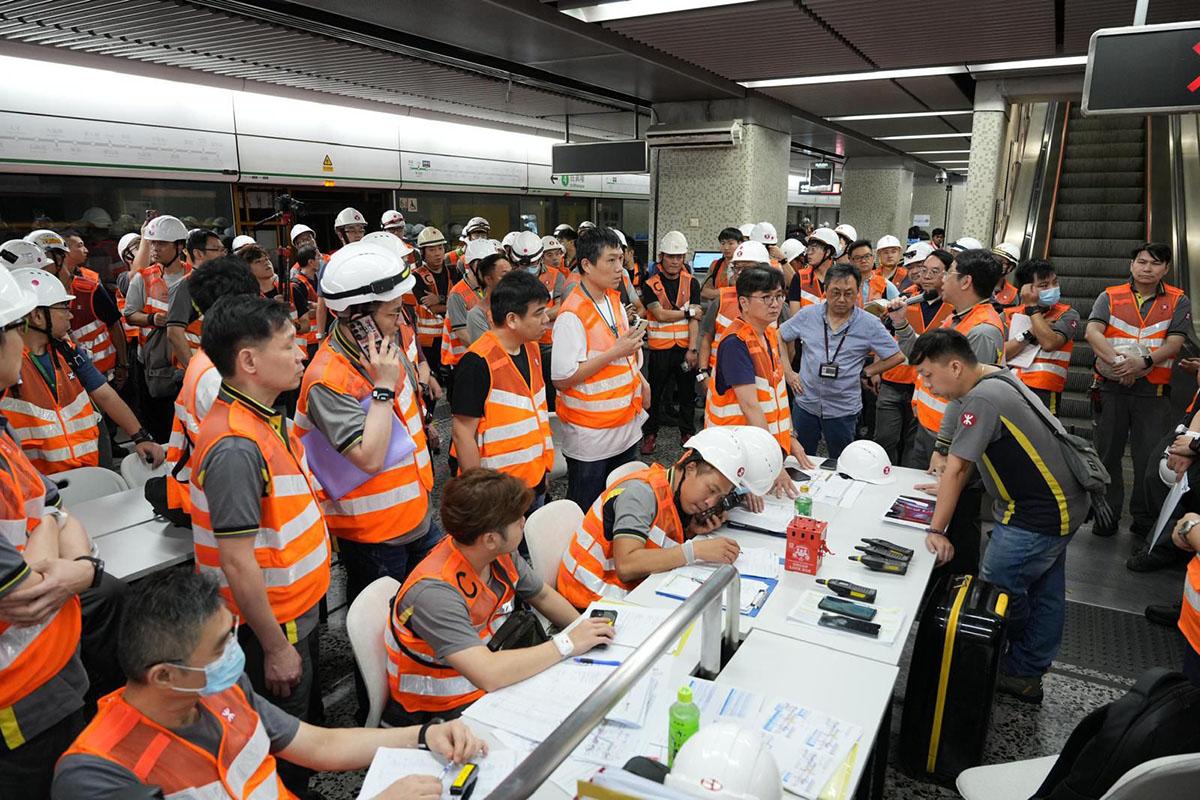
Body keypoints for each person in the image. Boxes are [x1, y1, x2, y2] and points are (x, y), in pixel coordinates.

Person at [54, 570, 485, 800]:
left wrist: (424, 735)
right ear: (164, 675)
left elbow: (318, 746)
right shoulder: (97, 774)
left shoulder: (221, 690)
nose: (237, 652)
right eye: (222, 645)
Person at [190, 295, 331, 796]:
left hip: (299, 606)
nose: (301, 355)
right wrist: (274, 647)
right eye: (290, 346)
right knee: (280, 745)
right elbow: (236, 559)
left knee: (303, 723)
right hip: (276, 622)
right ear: (248, 361)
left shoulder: (262, 416)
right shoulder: (234, 444)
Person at [910, 328, 1088, 703]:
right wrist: (944, 488)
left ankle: (1010, 658)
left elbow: (957, 469)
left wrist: (937, 528)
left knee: (998, 588)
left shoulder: (982, 401)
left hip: (1037, 514)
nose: (926, 383)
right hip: (1064, 503)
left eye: (928, 374)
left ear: (955, 366)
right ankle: (1026, 672)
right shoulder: (998, 377)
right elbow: (965, 466)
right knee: (1045, 589)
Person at [384, 468, 616, 726]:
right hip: (443, 714)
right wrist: (567, 643)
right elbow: (488, 673)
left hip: (489, 683)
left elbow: (542, 596)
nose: (523, 523)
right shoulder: (434, 593)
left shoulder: (496, 553)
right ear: (491, 539)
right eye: (517, 520)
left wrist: (584, 630)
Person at [0, 264, 99, 796]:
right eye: (12, 327)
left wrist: (55, 525)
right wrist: (80, 562)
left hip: (50, 675)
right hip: (19, 701)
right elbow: (29, 593)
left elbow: (54, 511)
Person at [296, 243, 438, 603]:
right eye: (393, 313)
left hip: (416, 512)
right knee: (381, 632)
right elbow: (369, 458)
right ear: (358, 317)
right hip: (374, 534)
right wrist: (383, 387)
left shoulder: (382, 349)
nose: (401, 322)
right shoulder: (327, 378)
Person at [557, 426, 778, 608]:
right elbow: (626, 565)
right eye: (711, 489)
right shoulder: (640, 493)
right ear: (690, 468)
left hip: (624, 594)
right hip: (588, 601)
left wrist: (691, 531)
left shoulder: (672, 492)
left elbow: (657, 542)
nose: (711, 503)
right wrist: (694, 551)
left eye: (719, 496)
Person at [887, 248, 1005, 574]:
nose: (942, 278)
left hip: (952, 441)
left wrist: (943, 446)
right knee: (929, 506)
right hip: (929, 429)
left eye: (948, 272)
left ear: (966, 281)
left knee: (959, 517)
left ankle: (957, 587)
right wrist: (900, 325)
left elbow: (968, 398)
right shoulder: (958, 318)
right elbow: (922, 359)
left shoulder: (982, 330)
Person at [0, 267, 163, 474]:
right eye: (63, 307)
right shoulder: (8, 366)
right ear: (37, 316)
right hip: (39, 486)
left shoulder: (68, 352)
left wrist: (140, 437)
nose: (70, 315)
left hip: (87, 471)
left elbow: (105, 395)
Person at [1085, 242, 1190, 539]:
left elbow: (1174, 343)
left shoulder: (1178, 300)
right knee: (1107, 454)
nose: (1147, 268)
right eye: (1142, 262)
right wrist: (1121, 364)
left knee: (1147, 458)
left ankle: (1143, 520)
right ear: (1132, 264)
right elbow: (1092, 332)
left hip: (1152, 392)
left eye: (1155, 264)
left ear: (1166, 269)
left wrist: (1142, 363)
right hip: (1111, 386)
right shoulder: (1110, 296)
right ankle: (1107, 515)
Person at [551, 226, 650, 511]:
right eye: (611, 260)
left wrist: (641, 380)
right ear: (586, 265)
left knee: (621, 507)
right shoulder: (572, 314)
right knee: (587, 512)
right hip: (591, 438)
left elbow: (621, 355)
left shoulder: (613, 300)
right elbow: (562, 378)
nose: (621, 267)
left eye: (621, 259)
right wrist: (615, 351)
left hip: (626, 428)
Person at [165, 257, 260, 518]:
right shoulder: (215, 375)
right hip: (215, 504)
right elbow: (244, 457)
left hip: (214, 496)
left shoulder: (215, 358)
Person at [451, 271, 554, 514]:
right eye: (538, 313)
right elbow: (462, 433)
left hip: (534, 478)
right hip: (498, 491)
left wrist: (542, 473)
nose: (545, 320)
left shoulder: (531, 349)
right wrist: (479, 493)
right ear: (512, 319)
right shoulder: (477, 362)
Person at [779, 263, 903, 459]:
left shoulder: (869, 323)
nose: (842, 299)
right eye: (835, 292)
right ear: (825, 289)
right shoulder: (808, 315)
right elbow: (778, 336)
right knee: (799, 460)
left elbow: (897, 355)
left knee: (844, 463)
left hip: (843, 409)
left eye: (849, 293)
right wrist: (788, 372)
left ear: (857, 293)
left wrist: (867, 372)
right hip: (806, 404)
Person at [706, 267, 813, 493]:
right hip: (738, 454)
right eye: (766, 297)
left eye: (778, 296)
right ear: (744, 302)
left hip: (759, 450)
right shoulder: (736, 343)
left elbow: (778, 397)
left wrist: (790, 437)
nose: (775, 304)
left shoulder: (769, 334)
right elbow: (750, 406)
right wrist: (774, 464)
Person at [874, 248, 952, 466]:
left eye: (933, 272)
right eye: (922, 270)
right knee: (885, 439)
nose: (924, 276)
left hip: (927, 388)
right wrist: (876, 369)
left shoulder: (954, 307)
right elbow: (885, 337)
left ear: (949, 275)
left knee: (914, 445)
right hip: (894, 378)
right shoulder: (906, 299)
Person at [124, 214, 193, 441]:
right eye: (153, 243)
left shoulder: (196, 277)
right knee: (163, 431)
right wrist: (153, 320)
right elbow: (130, 314)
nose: (155, 248)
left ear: (180, 246)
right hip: (157, 371)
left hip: (190, 363)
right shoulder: (143, 278)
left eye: (161, 243)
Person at [640, 230, 703, 456]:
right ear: (661, 257)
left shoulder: (692, 283)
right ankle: (650, 434)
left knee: (687, 394)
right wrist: (688, 312)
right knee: (654, 394)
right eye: (670, 256)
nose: (675, 261)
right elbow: (660, 315)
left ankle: (687, 432)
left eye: (679, 257)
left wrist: (693, 349)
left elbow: (696, 320)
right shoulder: (650, 284)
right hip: (660, 350)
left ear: (684, 258)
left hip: (684, 349)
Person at [1002, 259, 1079, 416]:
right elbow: (1001, 354)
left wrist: (1031, 308)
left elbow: (1049, 342)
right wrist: (1030, 333)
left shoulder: (1067, 314)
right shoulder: (1008, 315)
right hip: (1008, 385)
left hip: (1044, 389)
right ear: (1025, 288)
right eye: (1044, 286)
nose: (1053, 289)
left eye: (1055, 283)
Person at [54, 231, 127, 384]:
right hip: (67, 379)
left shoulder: (90, 288)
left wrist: (123, 364)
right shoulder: (34, 302)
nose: (86, 250)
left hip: (102, 373)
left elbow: (114, 324)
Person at [164, 228, 227, 372]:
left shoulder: (223, 283)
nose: (223, 254)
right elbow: (174, 333)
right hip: (201, 370)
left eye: (223, 250)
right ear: (198, 253)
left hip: (222, 368)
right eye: (216, 249)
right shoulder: (184, 286)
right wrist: (194, 371)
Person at [465, 252, 516, 345]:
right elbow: (486, 349)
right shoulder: (477, 315)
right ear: (488, 279)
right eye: (504, 275)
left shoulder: (518, 304)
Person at [787, 227, 840, 312]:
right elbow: (794, 318)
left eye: (813, 249)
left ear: (828, 252)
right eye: (808, 248)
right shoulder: (799, 278)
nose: (808, 253)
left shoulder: (842, 278)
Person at [845, 239, 899, 306]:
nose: (863, 260)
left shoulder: (885, 285)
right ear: (850, 261)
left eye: (867, 256)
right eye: (858, 258)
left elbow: (900, 307)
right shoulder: (844, 283)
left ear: (873, 258)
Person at [291, 245, 321, 359]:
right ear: (311, 262)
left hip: (319, 335)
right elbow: (301, 313)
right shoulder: (297, 285)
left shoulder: (318, 279)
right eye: (318, 257)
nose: (321, 260)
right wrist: (321, 307)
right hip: (308, 340)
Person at [700, 227, 745, 301]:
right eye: (723, 243)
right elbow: (704, 292)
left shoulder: (746, 265)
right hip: (718, 307)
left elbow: (743, 292)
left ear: (740, 244)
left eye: (731, 243)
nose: (726, 247)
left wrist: (716, 292)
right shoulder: (715, 264)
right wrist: (728, 291)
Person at [990, 243, 1021, 309]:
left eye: (1001, 262)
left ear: (1011, 268)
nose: (995, 263)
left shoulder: (1012, 294)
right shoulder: (976, 283)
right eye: (993, 259)